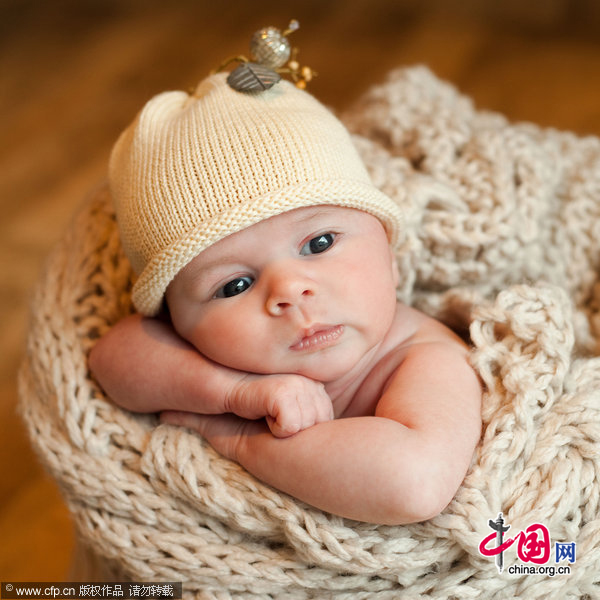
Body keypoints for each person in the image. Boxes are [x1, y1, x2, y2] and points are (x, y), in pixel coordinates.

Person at [89, 69, 482, 525]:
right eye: (234, 285)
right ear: (176, 321)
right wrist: (234, 393)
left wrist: (237, 436)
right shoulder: (229, 368)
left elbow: (414, 484)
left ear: (391, 256)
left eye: (319, 244)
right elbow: (112, 359)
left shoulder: (424, 357)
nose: (290, 291)